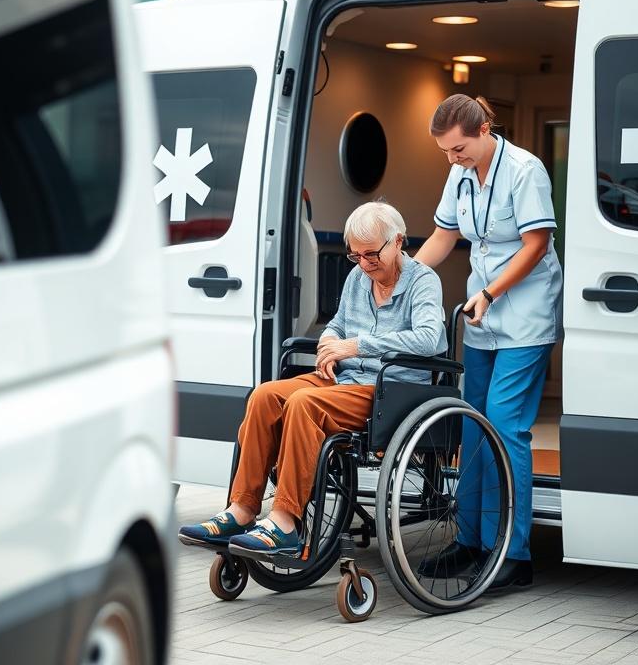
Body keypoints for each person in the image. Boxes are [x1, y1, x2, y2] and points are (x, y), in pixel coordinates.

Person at [179, 201, 446, 556]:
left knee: (304, 403)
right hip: (345, 380)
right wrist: (329, 342)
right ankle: (241, 509)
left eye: (372, 254)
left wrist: (355, 346)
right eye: (356, 256)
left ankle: (285, 521)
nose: (365, 264)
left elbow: (429, 339)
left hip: (390, 389)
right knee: (264, 396)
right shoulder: (358, 278)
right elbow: (338, 324)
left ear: (398, 241)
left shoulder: (422, 281)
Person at [414, 94, 563, 591]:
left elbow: (537, 245)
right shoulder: (459, 174)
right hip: (481, 315)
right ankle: (470, 542)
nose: (452, 159)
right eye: (445, 152)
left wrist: (491, 292)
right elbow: (443, 236)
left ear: (483, 131)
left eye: (458, 149)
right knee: (471, 424)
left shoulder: (525, 170)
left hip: (524, 315)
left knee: (503, 424)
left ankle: (512, 555)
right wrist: (402, 276)